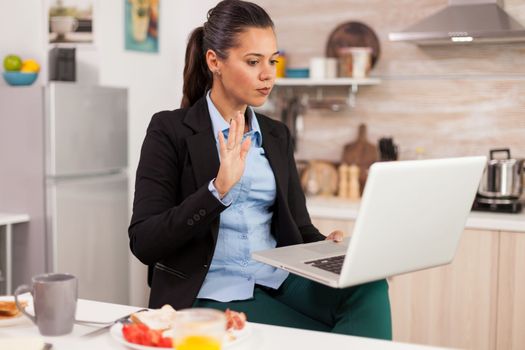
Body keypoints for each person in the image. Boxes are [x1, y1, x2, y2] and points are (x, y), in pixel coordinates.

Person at [129, 0, 392, 340]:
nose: (268, 74)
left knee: (367, 284)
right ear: (214, 62)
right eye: (253, 62)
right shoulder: (169, 130)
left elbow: (299, 227)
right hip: (211, 289)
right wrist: (216, 191)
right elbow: (143, 241)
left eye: (272, 61)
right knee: (321, 337)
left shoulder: (276, 134)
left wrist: (326, 245)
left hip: (278, 276)